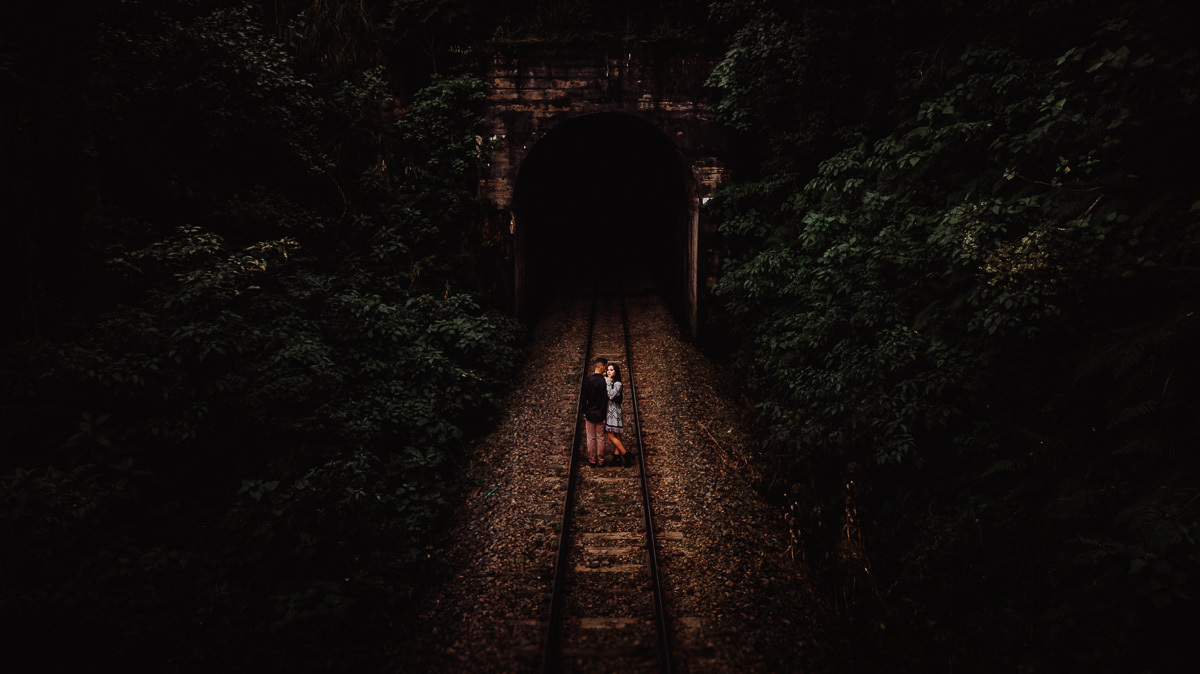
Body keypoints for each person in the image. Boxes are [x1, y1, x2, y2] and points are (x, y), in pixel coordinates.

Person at [580, 356, 609, 467]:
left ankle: (592, 461)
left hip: (590, 413)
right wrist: (604, 414)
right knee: (601, 437)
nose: (605, 369)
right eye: (605, 367)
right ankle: (601, 461)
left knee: (590, 437)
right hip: (600, 413)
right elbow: (604, 400)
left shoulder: (588, 380)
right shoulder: (603, 381)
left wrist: (584, 410)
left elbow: (584, 397)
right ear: (601, 367)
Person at [605, 363, 630, 467]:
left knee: (610, 435)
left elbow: (610, 395)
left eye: (611, 370)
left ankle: (626, 454)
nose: (609, 371)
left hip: (614, 412)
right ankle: (617, 457)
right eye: (608, 369)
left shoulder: (617, 384)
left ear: (616, 372)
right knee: (617, 435)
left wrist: (607, 383)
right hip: (611, 411)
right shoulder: (613, 382)